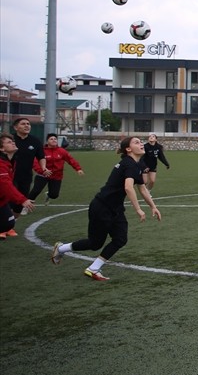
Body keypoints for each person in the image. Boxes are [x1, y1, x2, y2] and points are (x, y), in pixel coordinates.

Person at [50, 136, 161, 281]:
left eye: (141, 142)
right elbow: (128, 187)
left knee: (120, 239)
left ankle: (93, 268)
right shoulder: (129, 164)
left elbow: (142, 189)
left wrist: (153, 206)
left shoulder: (138, 165)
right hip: (102, 207)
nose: (141, 143)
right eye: (136, 142)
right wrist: (138, 209)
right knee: (95, 243)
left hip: (116, 208)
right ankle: (61, 248)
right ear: (128, 149)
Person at [28, 133, 84, 204]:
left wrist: (78, 169)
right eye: (51, 139)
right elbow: (35, 162)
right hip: (43, 175)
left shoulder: (62, 151)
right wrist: (43, 170)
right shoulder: (41, 151)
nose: (54, 140)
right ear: (47, 141)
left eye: (55, 139)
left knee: (54, 195)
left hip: (56, 176)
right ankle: (26, 205)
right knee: (36, 191)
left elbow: (71, 160)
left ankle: (48, 195)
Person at [8, 117, 45, 219]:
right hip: (10, 176)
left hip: (26, 177)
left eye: (28, 124)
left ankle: (11, 225)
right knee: (10, 200)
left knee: (20, 205)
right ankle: (5, 226)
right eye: (23, 124)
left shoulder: (35, 141)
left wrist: (44, 167)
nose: (27, 126)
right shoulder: (10, 140)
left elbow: (41, 157)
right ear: (16, 127)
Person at [1, 134, 36, 238]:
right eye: (8, 142)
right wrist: (22, 200)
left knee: (8, 223)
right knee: (6, 223)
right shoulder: (1, 163)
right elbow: (5, 184)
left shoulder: (11, 161)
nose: (13, 143)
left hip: (2, 200)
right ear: (2, 149)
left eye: (13, 141)